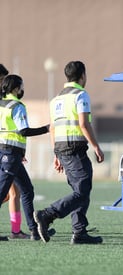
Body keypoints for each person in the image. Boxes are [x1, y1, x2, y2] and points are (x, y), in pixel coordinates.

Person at [34, 61, 104, 244]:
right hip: (75, 149)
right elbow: (83, 124)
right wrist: (96, 146)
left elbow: (53, 128)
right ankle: (47, 215)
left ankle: (79, 232)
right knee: (82, 191)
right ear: (82, 75)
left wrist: (56, 154)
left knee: (79, 190)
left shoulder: (56, 99)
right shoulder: (81, 95)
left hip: (62, 149)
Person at [0, 74, 50, 241]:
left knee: (27, 189)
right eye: (21, 86)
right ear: (15, 88)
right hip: (10, 154)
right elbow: (23, 131)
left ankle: (34, 231)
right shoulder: (17, 106)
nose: (22, 90)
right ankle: (32, 230)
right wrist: (46, 128)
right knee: (2, 192)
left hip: (8, 153)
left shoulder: (1, 104)